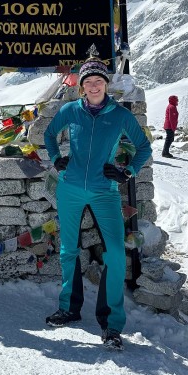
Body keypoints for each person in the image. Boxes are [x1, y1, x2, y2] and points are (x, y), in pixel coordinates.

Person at [44, 57, 152, 350]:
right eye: (88, 81)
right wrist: (56, 160)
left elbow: (144, 147)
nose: (93, 86)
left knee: (116, 254)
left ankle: (112, 323)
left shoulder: (119, 115)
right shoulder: (70, 110)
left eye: (99, 81)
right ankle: (69, 308)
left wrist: (126, 172)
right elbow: (49, 134)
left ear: (106, 84)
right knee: (68, 250)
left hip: (104, 191)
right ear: (81, 86)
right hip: (71, 189)